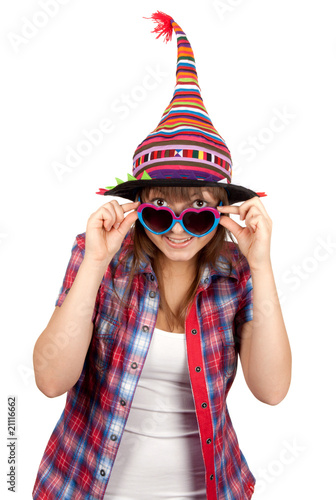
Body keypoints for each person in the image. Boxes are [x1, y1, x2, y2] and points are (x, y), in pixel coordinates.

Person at [32, 11, 292, 500]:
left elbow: (272, 390)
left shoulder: (236, 272)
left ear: (221, 212)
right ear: (139, 207)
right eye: (159, 211)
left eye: (197, 211)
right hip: (88, 487)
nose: (176, 230)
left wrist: (261, 263)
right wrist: (93, 263)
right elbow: (50, 380)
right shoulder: (99, 259)